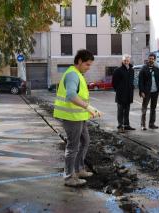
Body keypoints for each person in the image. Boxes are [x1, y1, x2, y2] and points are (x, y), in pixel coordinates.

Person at [53, 49, 101, 187]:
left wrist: (88, 110)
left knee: (85, 141)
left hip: (78, 116)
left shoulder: (78, 74)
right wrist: (88, 107)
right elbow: (71, 96)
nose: (88, 67)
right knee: (73, 146)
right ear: (79, 61)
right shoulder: (73, 75)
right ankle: (69, 177)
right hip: (71, 116)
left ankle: (79, 169)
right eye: (87, 64)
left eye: (90, 65)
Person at [138, 53, 159, 130]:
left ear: (154, 59)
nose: (151, 60)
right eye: (150, 58)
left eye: (152, 58)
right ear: (148, 59)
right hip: (146, 92)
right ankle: (143, 125)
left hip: (155, 92)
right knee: (144, 108)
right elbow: (140, 81)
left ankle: (151, 124)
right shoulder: (143, 69)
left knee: (153, 108)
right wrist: (141, 91)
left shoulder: (157, 69)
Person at [112, 54, 135, 133]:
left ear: (129, 61)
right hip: (120, 95)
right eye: (125, 60)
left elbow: (131, 82)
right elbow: (114, 83)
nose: (126, 62)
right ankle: (120, 126)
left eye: (127, 60)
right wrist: (118, 90)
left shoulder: (132, 70)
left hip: (129, 94)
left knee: (127, 111)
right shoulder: (118, 70)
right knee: (120, 111)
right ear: (122, 61)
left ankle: (126, 125)